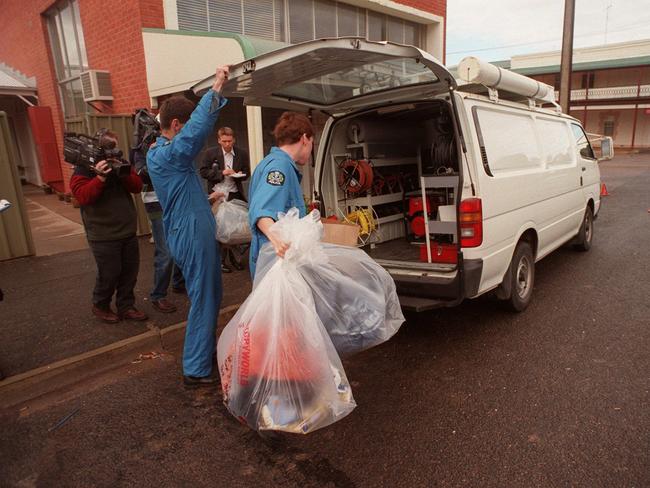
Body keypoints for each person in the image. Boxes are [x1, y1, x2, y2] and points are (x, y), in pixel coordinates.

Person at [146, 66, 229, 388]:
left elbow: (180, 191)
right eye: (186, 126)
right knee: (205, 297)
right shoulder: (168, 153)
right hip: (191, 233)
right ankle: (195, 368)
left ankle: (202, 353)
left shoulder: (164, 155)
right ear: (176, 125)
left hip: (188, 227)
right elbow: (195, 133)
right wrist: (217, 88)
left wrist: (205, 199)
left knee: (207, 295)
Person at [70, 129, 148, 324]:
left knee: (130, 272)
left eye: (114, 147)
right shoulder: (83, 167)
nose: (112, 152)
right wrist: (100, 178)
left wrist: (122, 171)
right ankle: (101, 305)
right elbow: (82, 197)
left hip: (127, 229)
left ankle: (126, 306)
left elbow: (137, 187)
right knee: (109, 273)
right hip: (102, 233)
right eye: (108, 148)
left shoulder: (120, 162)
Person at [247, 112, 315, 278]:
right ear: (305, 139)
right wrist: (277, 240)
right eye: (313, 143)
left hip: (274, 260)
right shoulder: (280, 167)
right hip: (275, 264)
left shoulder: (271, 162)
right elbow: (262, 210)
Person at [132, 145, 185, 313]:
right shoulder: (140, 148)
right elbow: (143, 174)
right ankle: (158, 295)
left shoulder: (170, 144)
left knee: (180, 246)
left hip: (174, 201)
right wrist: (156, 155)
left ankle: (178, 283)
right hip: (156, 204)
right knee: (166, 252)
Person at [199, 127, 250, 273]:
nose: (227, 144)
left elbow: (247, 172)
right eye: (224, 141)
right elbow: (203, 171)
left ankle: (235, 258)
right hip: (217, 194)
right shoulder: (210, 153)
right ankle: (221, 261)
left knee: (235, 229)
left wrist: (240, 174)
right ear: (219, 140)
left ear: (233, 139)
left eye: (230, 141)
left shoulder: (241, 153)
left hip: (234, 194)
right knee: (220, 228)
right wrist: (221, 172)